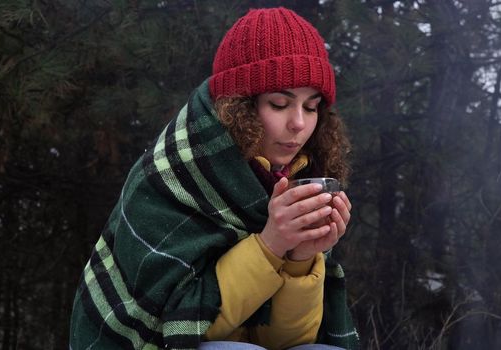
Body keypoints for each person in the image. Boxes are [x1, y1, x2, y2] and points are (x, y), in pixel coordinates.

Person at [69, 7, 359, 350]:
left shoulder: (299, 178)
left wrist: (300, 258)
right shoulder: (172, 176)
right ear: (237, 107)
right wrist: (270, 245)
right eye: (280, 104)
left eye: (311, 107)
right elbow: (178, 331)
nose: (299, 123)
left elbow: (283, 341)